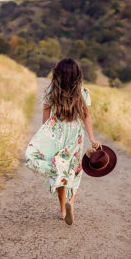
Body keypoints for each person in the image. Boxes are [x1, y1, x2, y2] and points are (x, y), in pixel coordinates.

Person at [25, 57, 101, 225]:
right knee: (74, 171)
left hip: (56, 133)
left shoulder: (51, 91)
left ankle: (62, 210)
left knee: (59, 170)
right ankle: (71, 202)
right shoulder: (81, 92)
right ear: (76, 75)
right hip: (75, 135)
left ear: (57, 74)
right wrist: (92, 137)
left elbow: (46, 119)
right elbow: (86, 116)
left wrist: (45, 140)